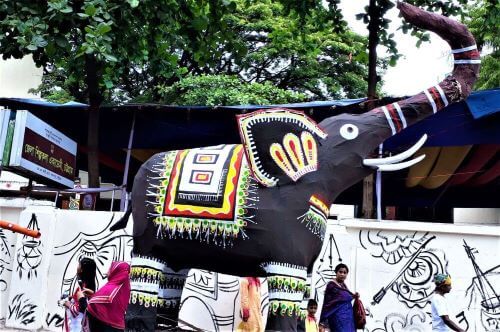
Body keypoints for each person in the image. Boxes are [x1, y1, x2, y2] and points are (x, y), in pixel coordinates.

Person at [84, 261, 131, 332]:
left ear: (115, 270)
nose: (107, 271)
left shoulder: (109, 288)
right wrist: (94, 295)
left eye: (110, 268)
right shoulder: (125, 289)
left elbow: (93, 308)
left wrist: (81, 298)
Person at [319, 263, 358, 332]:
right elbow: (342, 297)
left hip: (348, 319)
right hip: (337, 318)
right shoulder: (331, 285)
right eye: (340, 272)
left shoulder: (343, 285)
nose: (342, 274)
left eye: (345, 273)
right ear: (336, 272)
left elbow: (345, 296)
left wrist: (353, 296)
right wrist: (351, 296)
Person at [62, 257, 97, 332]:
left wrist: (68, 304)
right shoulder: (88, 286)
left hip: (77, 326)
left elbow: (80, 310)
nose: (77, 266)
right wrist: (72, 298)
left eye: (79, 265)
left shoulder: (83, 288)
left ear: (82, 269)